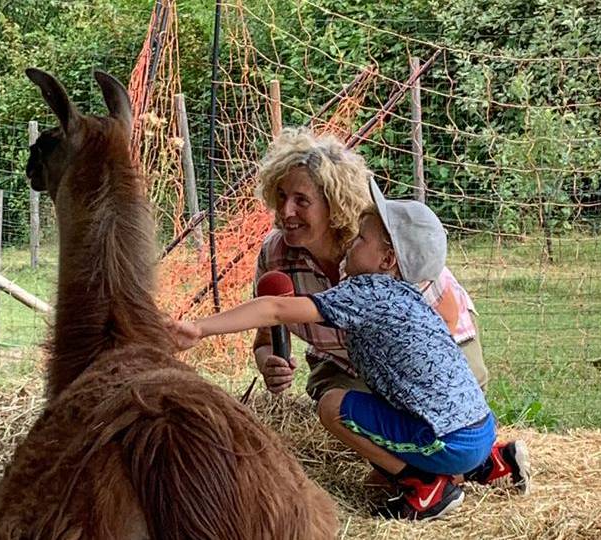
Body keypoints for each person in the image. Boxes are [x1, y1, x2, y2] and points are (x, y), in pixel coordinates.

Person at [170, 181, 530, 520]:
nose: (351, 243)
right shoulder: (412, 296)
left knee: (333, 407)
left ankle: (425, 487)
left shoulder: (367, 293)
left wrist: (200, 328)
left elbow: (276, 308)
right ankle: (493, 462)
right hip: (480, 430)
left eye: (361, 238)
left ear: (387, 260)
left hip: (451, 440)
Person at [251, 128, 488, 403]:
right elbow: (266, 338)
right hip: (348, 362)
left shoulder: (377, 249)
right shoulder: (275, 255)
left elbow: (447, 319)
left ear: (334, 203)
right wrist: (269, 363)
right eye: (280, 196)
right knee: (333, 401)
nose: (285, 211)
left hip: (434, 352)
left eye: (301, 200)